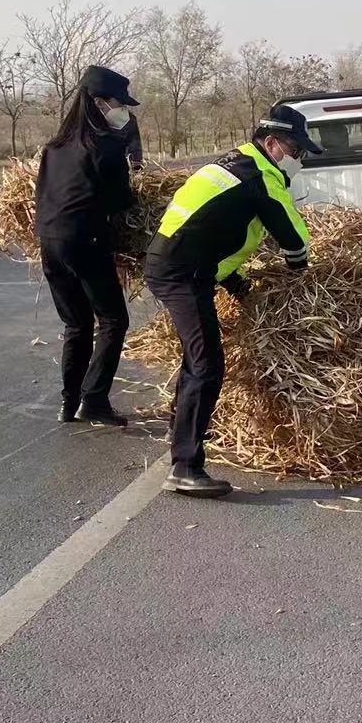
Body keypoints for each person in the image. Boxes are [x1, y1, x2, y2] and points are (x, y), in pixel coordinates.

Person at [144, 105, 319, 497]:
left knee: (197, 360)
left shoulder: (235, 164)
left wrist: (237, 284)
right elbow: (294, 237)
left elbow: (215, 228)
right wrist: (303, 275)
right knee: (206, 364)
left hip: (184, 264)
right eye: (296, 150)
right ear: (271, 142)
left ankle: (180, 430)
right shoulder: (259, 175)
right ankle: (185, 466)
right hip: (183, 272)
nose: (298, 160)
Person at [34, 64, 139, 427]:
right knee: (113, 320)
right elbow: (121, 201)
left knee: (76, 324)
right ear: (98, 102)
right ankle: (93, 400)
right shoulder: (105, 146)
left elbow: (43, 195)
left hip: (50, 240)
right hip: (85, 239)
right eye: (118, 102)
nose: (123, 110)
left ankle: (69, 403)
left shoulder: (54, 147)